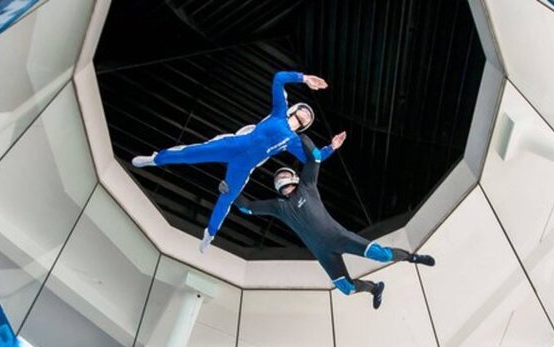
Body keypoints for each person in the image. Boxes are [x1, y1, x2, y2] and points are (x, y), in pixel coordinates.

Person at [132, 71, 343, 252]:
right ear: (294, 109)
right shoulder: (279, 113)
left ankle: (210, 233)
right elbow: (279, 78)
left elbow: (315, 159)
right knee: (189, 154)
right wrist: (304, 78)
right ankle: (155, 159)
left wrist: (331, 147)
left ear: (306, 125)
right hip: (233, 145)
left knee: (227, 198)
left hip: (243, 166)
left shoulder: (294, 141)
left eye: (309, 117)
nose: (306, 114)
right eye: (304, 110)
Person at [233, 134, 435, 309]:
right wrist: (230, 190)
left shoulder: (307, 185)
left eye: (284, 173)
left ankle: (412, 257)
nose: (280, 178)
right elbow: (247, 207)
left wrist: (297, 135)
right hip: (323, 253)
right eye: (277, 177)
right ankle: (374, 288)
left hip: (340, 238)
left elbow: (314, 157)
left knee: (381, 255)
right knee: (346, 289)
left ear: (293, 176)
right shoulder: (278, 206)